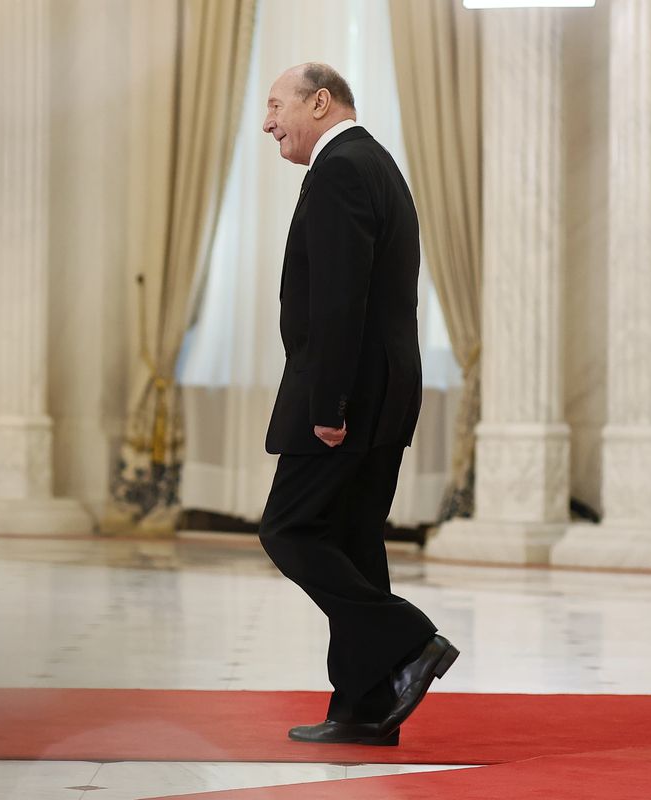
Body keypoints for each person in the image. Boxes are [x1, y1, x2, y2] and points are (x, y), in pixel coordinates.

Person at [257, 62, 458, 746]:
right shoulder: (375, 163)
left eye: (276, 105)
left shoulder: (341, 168)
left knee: (287, 528)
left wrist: (328, 403)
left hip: (349, 394)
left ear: (320, 101)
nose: (268, 123)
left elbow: (341, 299)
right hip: (386, 391)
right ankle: (364, 707)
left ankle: (411, 640)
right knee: (351, 538)